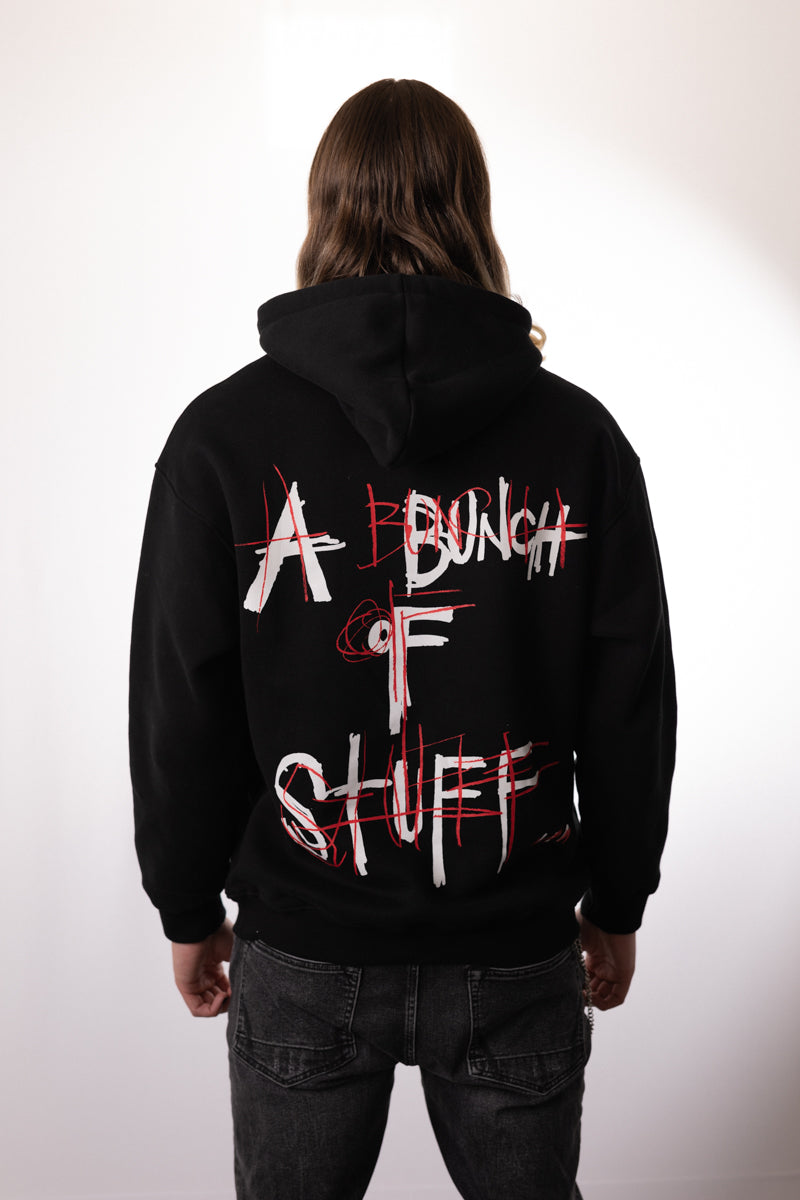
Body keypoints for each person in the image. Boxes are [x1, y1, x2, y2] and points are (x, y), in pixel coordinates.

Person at [129, 78, 676, 1200]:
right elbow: (629, 694)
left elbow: (181, 698)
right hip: (514, 941)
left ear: (323, 208)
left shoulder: (221, 437)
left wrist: (186, 907)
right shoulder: (577, 439)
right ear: (473, 208)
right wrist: (617, 898)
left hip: (304, 940)